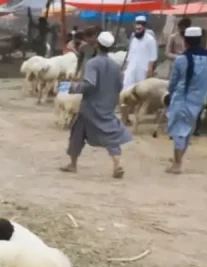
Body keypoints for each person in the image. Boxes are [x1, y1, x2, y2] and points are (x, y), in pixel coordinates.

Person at [61, 31, 131, 179]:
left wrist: (73, 87)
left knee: (77, 133)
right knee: (110, 135)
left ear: (97, 45)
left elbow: (90, 84)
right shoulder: (115, 65)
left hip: (90, 106)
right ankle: (117, 164)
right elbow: (120, 85)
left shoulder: (93, 63)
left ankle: (73, 164)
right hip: (107, 105)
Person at [164, 26, 207, 174]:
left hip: (182, 99)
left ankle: (177, 165)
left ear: (186, 41)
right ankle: (178, 159)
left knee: (178, 132)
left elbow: (173, 82)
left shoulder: (182, 60)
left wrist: (169, 92)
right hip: (199, 100)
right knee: (187, 131)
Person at [123, 16, 158, 90]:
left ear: (144, 27)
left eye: (139, 28)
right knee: (127, 88)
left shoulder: (150, 39)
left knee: (141, 90)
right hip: (131, 68)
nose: (138, 30)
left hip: (143, 70)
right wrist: (126, 68)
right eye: (136, 28)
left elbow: (153, 57)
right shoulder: (133, 39)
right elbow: (130, 55)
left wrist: (150, 70)